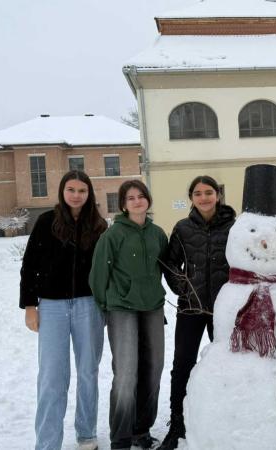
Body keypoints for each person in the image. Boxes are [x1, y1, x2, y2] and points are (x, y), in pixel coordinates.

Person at [19, 170, 108, 450]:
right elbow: (29, 265)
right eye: (71, 190)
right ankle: (47, 443)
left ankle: (87, 435)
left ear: (89, 194)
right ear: (62, 191)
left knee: (88, 373)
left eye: (82, 191)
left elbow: (107, 268)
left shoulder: (99, 226)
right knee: (51, 377)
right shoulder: (47, 221)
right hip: (52, 307)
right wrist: (30, 305)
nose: (76, 195)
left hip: (89, 306)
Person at [89, 180, 168, 450]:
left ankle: (141, 430)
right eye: (130, 198)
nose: (136, 201)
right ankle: (121, 437)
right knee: (125, 373)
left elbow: (166, 269)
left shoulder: (158, 234)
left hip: (153, 307)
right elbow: (98, 276)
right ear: (123, 204)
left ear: (148, 200)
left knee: (154, 368)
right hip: (122, 309)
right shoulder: (112, 236)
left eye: (141, 196)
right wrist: (106, 306)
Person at [159, 176, 236, 450]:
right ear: (191, 197)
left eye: (209, 192)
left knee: (227, 365)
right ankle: (177, 424)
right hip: (191, 308)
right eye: (198, 193)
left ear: (218, 194)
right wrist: (184, 288)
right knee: (182, 364)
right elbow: (170, 263)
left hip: (224, 309)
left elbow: (243, 263)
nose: (204, 198)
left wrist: (235, 293)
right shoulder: (182, 228)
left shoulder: (234, 226)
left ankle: (226, 419)